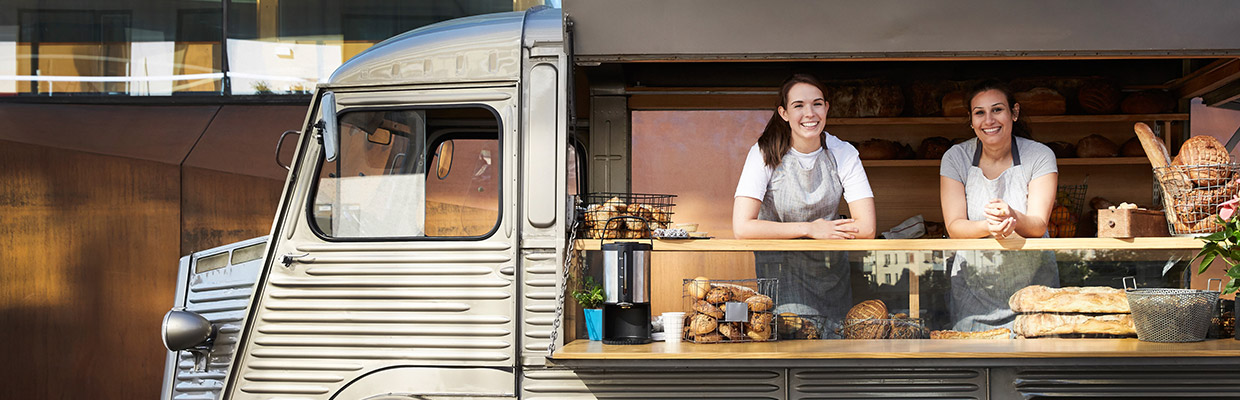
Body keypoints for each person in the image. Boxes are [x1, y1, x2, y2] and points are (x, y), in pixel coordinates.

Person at [733, 74, 876, 321]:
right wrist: (810, 229)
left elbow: (867, 227)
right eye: (798, 105)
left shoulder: (843, 153)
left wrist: (822, 230)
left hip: (832, 278)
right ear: (784, 112)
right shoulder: (763, 153)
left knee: (832, 347)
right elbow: (742, 227)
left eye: (817, 104)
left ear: (827, 108)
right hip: (781, 275)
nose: (810, 113)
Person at [939, 79, 1059, 331]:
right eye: (979, 113)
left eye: (997, 110)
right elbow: (954, 227)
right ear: (971, 121)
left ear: (1014, 112)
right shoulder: (955, 158)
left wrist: (1013, 216)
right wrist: (989, 226)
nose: (989, 120)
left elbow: (1037, 225)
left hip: (1033, 290)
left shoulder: (1039, 156)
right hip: (973, 291)